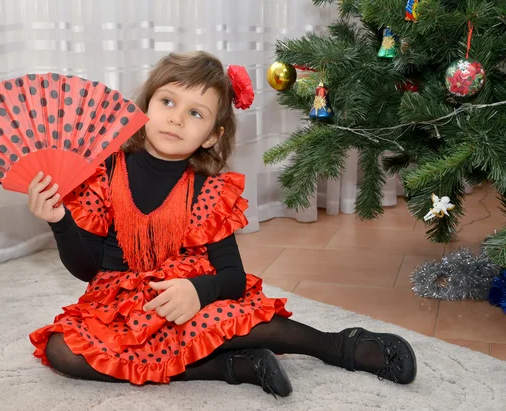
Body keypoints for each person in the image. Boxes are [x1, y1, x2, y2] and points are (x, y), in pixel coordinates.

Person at [27, 51, 417, 398]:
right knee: (61, 350)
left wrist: (197, 291)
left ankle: (336, 345)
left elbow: (232, 276)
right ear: (144, 107)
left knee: (235, 319)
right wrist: (60, 221)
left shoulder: (208, 190)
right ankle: (229, 367)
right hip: (121, 306)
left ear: (213, 136)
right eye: (167, 101)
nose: (176, 118)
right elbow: (90, 270)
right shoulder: (104, 173)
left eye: (195, 113)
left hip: (184, 299)